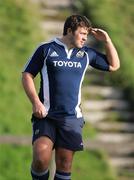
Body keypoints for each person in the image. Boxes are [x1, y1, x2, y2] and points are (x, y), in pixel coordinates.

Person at [22, 14, 120, 180]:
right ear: (69, 30)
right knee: (41, 157)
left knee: (64, 163)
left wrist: (107, 40)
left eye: (86, 35)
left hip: (71, 118)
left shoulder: (86, 54)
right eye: (82, 33)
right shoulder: (46, 49)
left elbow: (114, 65)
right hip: (46, 115)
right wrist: (36, 102)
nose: (85, 38)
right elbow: (27, 75)